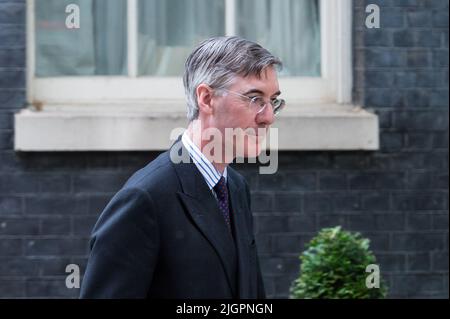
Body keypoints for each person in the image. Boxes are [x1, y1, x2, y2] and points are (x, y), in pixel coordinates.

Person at [80, 36, 285, 298]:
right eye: (254, 98)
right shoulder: (145, 199)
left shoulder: (235, 187)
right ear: (207, 98)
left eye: (273, 101)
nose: (268, 117)